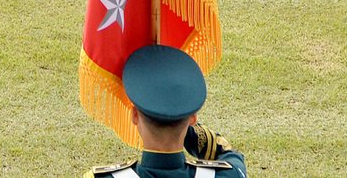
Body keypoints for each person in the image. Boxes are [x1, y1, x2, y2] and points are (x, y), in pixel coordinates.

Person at [85, 45, 246, 178]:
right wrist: (179, 118)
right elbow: (230, 155)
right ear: (192, 118)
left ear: (135, 115)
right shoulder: (229, 175)